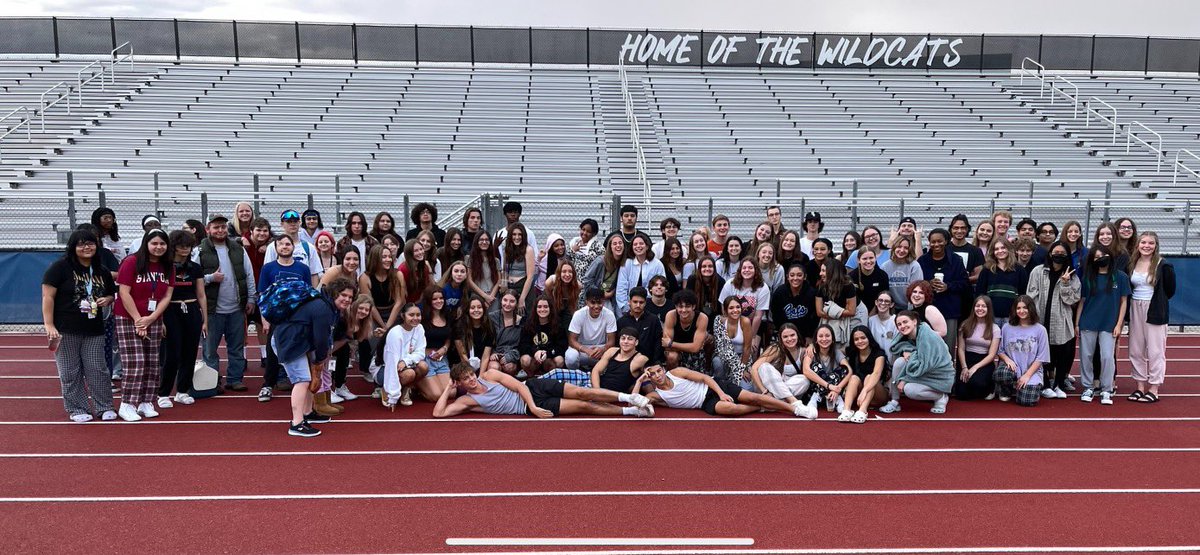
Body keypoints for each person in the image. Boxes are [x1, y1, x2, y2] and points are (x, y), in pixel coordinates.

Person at [42, 229, 118, 422]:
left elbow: (110, 293)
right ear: (73, 247)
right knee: (69, 371)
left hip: (94, 329)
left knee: (98, 370)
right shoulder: (60, 268)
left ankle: (104, 406)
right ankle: (77, 408)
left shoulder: (102, 271)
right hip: (65, 328)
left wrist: (108, 299)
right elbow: (48, 297)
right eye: (81, 244)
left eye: (91, 243)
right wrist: (49, 325)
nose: (87, 247)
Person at [275, 277, 357, 437]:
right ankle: (296, 424)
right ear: (334, 294)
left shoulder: (329, 306)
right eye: (344, 295)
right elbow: (321, 338)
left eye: (350, 297)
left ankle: (307, 413)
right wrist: (320, 359)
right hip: (290, 341)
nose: (347, 299)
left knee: (312, 377)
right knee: (303, 380)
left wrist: (318, 362)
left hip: (300, 340)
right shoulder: (323, 308)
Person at [433, 363, 653, 418]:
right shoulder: (468, 401)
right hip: (529, 408)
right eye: (465, 379)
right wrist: (447, 390)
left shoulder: (490, 375)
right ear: (459, 383)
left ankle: (629, 397)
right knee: (583, 406)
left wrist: (533, 407)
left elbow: (519, 385)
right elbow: (438, 414)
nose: (471, 380)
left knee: (582, 392)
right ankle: (632, 412)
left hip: (533, 389)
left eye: (471, 375)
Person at [114, 229, 175, 422]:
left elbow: (167, 295)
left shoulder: (168, 266)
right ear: (146, 244)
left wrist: (152, 317)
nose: (158, 247)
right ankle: (127, 404)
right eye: (154, 243)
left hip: (153, 318)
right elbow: (124, 292)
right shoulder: (132, 262)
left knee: (151, 362)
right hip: (128, 317)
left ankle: (146, 402)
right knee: (136, 362)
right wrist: (138, 319)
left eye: (162, 244)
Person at [194, 214, 258, 392]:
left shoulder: (238, 248)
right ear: (208, 230)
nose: (220, 230)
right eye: (216, 227)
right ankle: (212, 382)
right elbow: (194, 278)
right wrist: (210, 278)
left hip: (236, 308)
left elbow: (248, 274)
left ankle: (235, 379)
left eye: (223, 227)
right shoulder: (199, 251)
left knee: (236, 348)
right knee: (210, 350)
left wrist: (251, 298)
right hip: (212, 310)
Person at [258, 235, 315, 400]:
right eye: (281, 244)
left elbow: (307, 293)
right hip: (276, 317)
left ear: (293, 247)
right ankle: (268, 385)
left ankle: (298, 384)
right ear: (276, 247)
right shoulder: (268, 268)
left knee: (299, 351)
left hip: (297, 318)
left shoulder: (303, 268)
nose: (284, 246)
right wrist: (264, 319)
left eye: (288, 244)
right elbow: (263, 294)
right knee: (272, 352)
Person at [636, 364, 807, 417]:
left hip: (714, 387)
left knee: (753, 397)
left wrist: (721, 393)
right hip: (704, 402)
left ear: (664, 370)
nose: (657, 375)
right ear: (649, 377)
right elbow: (635, 400)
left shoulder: (676, 372)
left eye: (659, 371)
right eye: (652, 374)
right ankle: (769, 406)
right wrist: (639, 381)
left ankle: (795, 408)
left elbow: (705, 378)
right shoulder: (656, 395)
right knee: (732, 409)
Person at [158, 230, 208, 408]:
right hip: (171, 309)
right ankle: (163, 393)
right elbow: (159, 294)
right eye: (181, 246)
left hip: (192, 309)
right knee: (171, 353)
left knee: (190, 352)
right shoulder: (165, 267)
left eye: (188, 246)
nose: (185, 249)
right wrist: (161, 319)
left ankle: (182, 390)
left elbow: (201, 295)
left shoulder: (195, 268)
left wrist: (205, 320)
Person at [1026, 241, 1081, 398]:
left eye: (1062, 253)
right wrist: (1033, 317)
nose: (1058, 256)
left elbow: (1072, 300)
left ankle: (1058, 384)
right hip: (1040, 317)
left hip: (1061, 319)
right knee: (1041, 351)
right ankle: (1044, 384)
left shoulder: (1072, 275)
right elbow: (1031, 294)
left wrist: (1065, 284)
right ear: (1049, 254)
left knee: (1062, 352)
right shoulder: (1038, 271)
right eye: (1055, 252)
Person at [1076, 246, 1130, 405]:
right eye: (1097, 256)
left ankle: (1107, 389)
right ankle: (1088, 387)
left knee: (1107, 356)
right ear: (1092, 259)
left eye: (1104, 255)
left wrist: (1120, 324)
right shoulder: (1088, 276)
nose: (1101, 258)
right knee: (1086, 356)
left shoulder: (1120, 277)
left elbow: (1123, 302)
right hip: (1088, 321)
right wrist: (1077, 323)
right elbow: (1082, 301)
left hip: (1109, 323)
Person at [1126, 232, 1175, 403]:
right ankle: (1140, 386)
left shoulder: (1163, 265)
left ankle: (1154, 388)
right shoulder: (1132, 263)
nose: (1146, 246)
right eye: (1143, 242)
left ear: (1156, 245)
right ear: (1138, 244)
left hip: (1155, 309)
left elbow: (1170, 290)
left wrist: (1157, 303)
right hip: (1135, 307)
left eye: (1151, 243)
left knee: (1155, 350)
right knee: (1135, 349)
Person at [888, 311, 954, 414]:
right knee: (899, 363)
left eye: (905, 322)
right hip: (924, 371)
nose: (902, 326)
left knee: (910, 390)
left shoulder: (927, 335)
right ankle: (894, 401)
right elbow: (901, 347)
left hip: (938, 375)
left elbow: (925, 364)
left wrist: (905, 379)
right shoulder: (908, 335)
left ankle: (941, 397)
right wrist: (906, 350)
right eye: (899, 324)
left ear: (914, 321)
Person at [749, 324, 818, 418]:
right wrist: (764, 391)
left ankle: (771, 404)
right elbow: (754, 369)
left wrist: (812, 345)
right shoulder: (775, 349)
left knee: (804, 379)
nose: (789, 339)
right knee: (764, 367)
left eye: (792, 335)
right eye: (785, 337)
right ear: (781, 339)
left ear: (797, 335)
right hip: (767, 387)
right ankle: (794, 403)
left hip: (785, 388)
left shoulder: (803, 351)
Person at [358, 243, 405, 379]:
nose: (388, 259)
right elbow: (370, 305)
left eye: (389, 256)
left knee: (395, 339)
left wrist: (388, 326)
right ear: (375, 259)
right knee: (374, 338)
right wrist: (382, 326)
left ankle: (397, 371)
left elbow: (399, 301)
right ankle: (376, 372)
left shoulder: (397, 274)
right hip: (373, 313)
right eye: (384, 257)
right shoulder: (365, 278)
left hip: (393, 312)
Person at [918, 228, 969, 353]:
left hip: (950, 310)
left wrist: (948, 286)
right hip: (927, 310)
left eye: (939, 241)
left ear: (946, 241)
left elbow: (964, 284)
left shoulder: (956, 260)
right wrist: (928, 284)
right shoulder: (922, 261)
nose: (936, 244)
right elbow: (917, 285)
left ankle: (947, 372)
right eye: (933, 242)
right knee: (927, 347)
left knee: (947, 348)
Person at [994, 296, 1050, 406]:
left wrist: (1027, 375)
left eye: (1025, 308)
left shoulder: (1040, 330)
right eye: (1018, 308)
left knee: (1026, 401)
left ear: (1031, 309)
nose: (1021, 311)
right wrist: (1007, 360)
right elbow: (1000, 351)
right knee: (1002, 374)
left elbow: (1041, 357)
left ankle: (1023, 387)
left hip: (1031, 370)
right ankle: (1007, 389)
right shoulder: (1006, 327)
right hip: (1012, 367)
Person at [379, 302, 428, 409]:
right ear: (402, 316)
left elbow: (420, 353)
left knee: (424, 366)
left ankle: (406, 389)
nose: (415, 318)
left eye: (418, 315)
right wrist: (392, 395)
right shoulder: (395, 333)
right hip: (385, 369)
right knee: (409, 373)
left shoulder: (419, 328)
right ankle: (385, 390)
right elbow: (391, 364)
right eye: (411, 315)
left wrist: (406, 361)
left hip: (404, 365)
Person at [837, 325, 887, 423]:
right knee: (854, 377)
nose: (860, 341)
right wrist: (812, 345)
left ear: (869, 338)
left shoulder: (879, 354)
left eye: (863, 338)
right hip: (860, 396)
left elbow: (876, 374)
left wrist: (864, 390)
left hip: (877, 395)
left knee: (869, 377)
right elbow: (833, 349)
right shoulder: (852, 352)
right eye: (856, 339)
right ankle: (847, 410)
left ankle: (862, 411)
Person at [954, 296, 1000, 401]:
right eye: (977, 306)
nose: (980, 309)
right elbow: (960, 348)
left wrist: (975, 367)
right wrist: (965, 367)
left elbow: (992, 355)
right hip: (967, 358)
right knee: (961, 394)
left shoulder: (995, 328)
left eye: (984, 306)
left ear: (989, 309)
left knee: (977, 384)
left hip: (984, 361)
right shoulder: (965, 324)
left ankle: (990, 387)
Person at [331, 293, 373, 403]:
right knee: (333, 359)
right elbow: (333, 341)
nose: (363, 311)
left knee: (344, 355)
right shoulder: (342, 319)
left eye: (366, 310)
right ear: (354, 306)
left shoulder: (361, 322)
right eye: (361, 308)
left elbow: (359, 339)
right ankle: (326, 389)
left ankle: (340, 386)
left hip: (340, 346)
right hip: (330, 345)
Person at [976, 237, 1029, 320]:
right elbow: (980, 293)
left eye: (1003, 248)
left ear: (1009, 249)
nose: (1000, 251)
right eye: (996, 249)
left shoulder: (1019, 270)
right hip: (991, 316)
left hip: (1012, 316)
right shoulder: (987, 269)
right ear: (993, 252)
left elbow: (1023, 294)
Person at [265, 210, 322, 284]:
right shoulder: (273, 247)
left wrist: (313, 293)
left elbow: (314, 274)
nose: (292, 224)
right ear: (282, 224)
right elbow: (267, 272)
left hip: (302, 293)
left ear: (299, 223)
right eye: (289, 222)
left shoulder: (309, 247)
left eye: (295, 221)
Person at [566, 287, 618, 370]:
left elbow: (611, 341)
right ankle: (576, 374)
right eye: (593, 303)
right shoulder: (579, 314)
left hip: (600, 349)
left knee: (614, 354)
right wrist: (586, 350)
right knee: (571, 358)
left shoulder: (609, 315)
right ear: (587, 302)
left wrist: (603, 349)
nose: (596, 306)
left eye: (599, 302)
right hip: (581, 349)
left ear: (603, 302)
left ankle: (600, 374)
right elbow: (572, 340)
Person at [802, 325, 849, 415]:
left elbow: (849, 371)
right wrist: (828, 386)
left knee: (844, 368)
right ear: (816, 339)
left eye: (827, 336)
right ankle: (816, 396)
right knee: (815, 366)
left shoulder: (836, 352)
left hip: (834, 390)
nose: (824, 339)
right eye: (820, 336)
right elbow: (806, 370)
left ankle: (836, 397)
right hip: (814, 388)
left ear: (833, 339)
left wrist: (836, 389)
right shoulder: (811, 352)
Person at [615, 233, 665, 315]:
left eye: (641, 243)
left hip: (650, 306)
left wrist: (644, 306)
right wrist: (626, 308)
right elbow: (621, 288)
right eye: (635, 244)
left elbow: (660, 287)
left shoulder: (657, 264)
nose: (638, 246)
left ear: (647, 246)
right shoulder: (626, 263)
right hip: (627, 307)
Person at [870, 291, 903, 413]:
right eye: (880, 300)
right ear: (876, 302)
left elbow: (899, 345)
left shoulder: (896, 321)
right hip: (877, 363)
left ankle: (895, 401)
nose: (883, 303)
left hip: (893, 362)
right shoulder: (871, 321)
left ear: (892, 304)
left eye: (887, 301)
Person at [662, 290, 710, 373]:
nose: (683, 310)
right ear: (676, 307)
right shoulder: (671, 315)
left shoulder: (702, 318)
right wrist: (670, 344)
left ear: (693, 307)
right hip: (676, 351)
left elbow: (695, 348)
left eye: (687, 306)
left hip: (695, 353)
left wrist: (671, 344)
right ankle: (672, 379)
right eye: (680, 307)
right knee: (671, 356)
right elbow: (665, 344)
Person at [419, 286, 453, 401]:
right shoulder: (421, 318)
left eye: (441, 298)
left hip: (441, 359)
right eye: (435, 299)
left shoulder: (447, 314)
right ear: (429, 300)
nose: (439, 301)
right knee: (436, 395)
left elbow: (449, 337)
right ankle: (415, 385)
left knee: (451, 392)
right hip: (425, 360)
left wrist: (444, 348)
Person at [591, 328, 650, 394]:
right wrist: (597, 391)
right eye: (623, 338)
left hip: (614, 395)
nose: (625, 341)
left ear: (636, 342)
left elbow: (650, 373)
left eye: (630, 339)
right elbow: (596, 370)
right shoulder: (612, 351)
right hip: (595, 386)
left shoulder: (640, 359)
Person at [520, 296, 568, 376]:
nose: (542, 310)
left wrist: (547, 353)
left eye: (545, 307)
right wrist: (535, 352)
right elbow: (523, 345)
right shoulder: (528, 323)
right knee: (525, 359)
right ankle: (530, 378)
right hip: (533, 356)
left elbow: (562, 346)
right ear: (535, 309)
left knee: (560, 360)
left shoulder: (557, 324)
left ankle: (552, 379)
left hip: (550, 356)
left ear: (550, 308)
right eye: (539, 307)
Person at [770, 263, 818, 342]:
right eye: (792, 275)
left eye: (799, 275)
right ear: (787, 277)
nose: (795, 278)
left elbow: (814, 318)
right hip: (785, 333)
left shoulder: (811, 293)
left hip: (806, 335)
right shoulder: (780, 293)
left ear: (805, 277)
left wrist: (809, 336)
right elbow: (776, 316)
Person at [815, 258, 857, 348]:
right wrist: (835, 313)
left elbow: (851, 311)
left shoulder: (848, 286)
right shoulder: (821, 286)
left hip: (855, 316)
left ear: (832, 272)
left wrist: (832, 310)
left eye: (823, 271)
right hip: (835, 317)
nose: (820, 274)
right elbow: (819, 312)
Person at [712, 296, 754, 385]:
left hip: (743, 359)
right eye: (731, 308)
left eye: (738, 307)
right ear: (726, 310)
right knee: (717, 362)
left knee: (747, 388)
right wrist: (738, 369)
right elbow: (722, 349)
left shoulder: (745, 322)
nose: (735, 310)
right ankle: (720, 385)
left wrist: (742, 369)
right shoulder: (719, 321)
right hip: (724, 357)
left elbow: (747, 348)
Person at [616, 286, 664, 364]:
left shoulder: (653, 320)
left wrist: (655, 362)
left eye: (641, 302)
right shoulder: (621, 322)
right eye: (635, 302)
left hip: (649, 362)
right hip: (626, 363)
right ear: (629, 302)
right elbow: (617, 345)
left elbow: (658, 343)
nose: (638, 305)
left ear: (645, 303)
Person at [582, 233, 626, 314]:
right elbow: (586, 280)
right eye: (615, 243)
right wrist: (601, 293)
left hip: (611, 300)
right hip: (595, 298)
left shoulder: (624, 263)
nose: (618, 246)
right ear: (610, 247)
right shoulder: (600, 261)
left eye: (620, 243)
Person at [488, 289, 524, 376]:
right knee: (494, 368)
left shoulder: (521, 321)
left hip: (511, 355)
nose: (507, 304)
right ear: (501, 301)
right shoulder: (491, 318)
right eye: (505, 300)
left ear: (516, 303)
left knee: (510, 367)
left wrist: (511, 356)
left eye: (512, 301)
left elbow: (523, 345)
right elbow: (486, 339)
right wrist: (492, 352)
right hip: (494, 354)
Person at [882, 235, 921, 310]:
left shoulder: (914, 266)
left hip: (910, 307)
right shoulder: (885, 266)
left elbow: (916, 291)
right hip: (890, 307)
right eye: (899, 246)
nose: (902, 250)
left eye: (906, 248)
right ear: (894, 247)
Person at [455, 296, 495, 370]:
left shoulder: (489, 326)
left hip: (482, 364)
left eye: (479, 307)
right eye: (472, 308)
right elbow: (462, 355)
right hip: (463, 365)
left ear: (484, 309)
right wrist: (472, 374)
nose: (476, 310)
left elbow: (486, 356)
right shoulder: (459, 326)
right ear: (468, 310)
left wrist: (481, 376)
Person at [466, 228, 501, 308]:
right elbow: (469, 280)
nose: (484, 242)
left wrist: (491, 296)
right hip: (476, 296)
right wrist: (485, 296)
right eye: (481, 240)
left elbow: (499, 280)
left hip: (493, 297)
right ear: (476, 242)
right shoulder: (469, 259)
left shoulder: (496, 260)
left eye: (487, 240)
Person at [849, 248, 888, 316]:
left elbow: (884, 298)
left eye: (871, 258)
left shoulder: (882, 276)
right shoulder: (851, 277)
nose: (868, 261)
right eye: (864, 259)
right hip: (856, 313)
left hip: (877, 313)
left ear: (875, 258)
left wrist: (871, 316)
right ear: (858, 260)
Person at [398, 239, 433, 304]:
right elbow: (402, 295)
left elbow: (426, 287)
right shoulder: (403, 269)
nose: (420, 252)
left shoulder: (424, 267)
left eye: (421, 249)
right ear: (409, 253)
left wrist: (420, 300)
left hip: (420, 302)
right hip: (406, 305)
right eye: (416, 251)